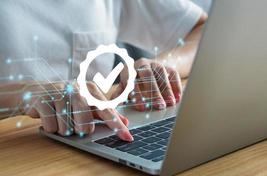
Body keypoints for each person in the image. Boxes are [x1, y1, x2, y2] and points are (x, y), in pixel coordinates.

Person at [0, 0, 208, 142]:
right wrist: (21, 95)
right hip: (15, 151)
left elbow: (202, 29)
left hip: (93, 144)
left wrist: (160, 65)